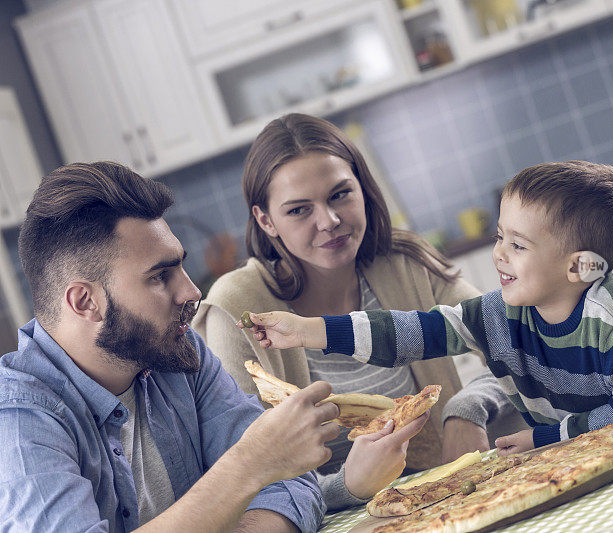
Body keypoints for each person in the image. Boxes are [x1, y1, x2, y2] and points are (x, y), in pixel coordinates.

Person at [238, 161, 613, 454]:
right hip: (592, 453)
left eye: (517, 244)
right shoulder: (499, 315)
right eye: (500, 236)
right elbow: (409, 333)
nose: (499, 254)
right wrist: (307, 330)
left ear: (578, 268)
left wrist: (541, 438)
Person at [192, 114, 516, 510]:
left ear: (363, 189)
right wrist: (349, 484)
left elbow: (515, 337)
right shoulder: (235, 306)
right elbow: (246, 476)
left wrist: (465, 411)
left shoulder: (403, 263)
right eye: (298, 210)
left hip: (448, 499)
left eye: (340, 195)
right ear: (265, 220)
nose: (328, 221)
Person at [0, 162, 337, 532]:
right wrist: (249, 463)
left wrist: (261, 470)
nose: (192, 292)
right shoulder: (18, 420)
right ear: (84, 302)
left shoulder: (175, 351)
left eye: (181, 268)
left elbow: (292, 484)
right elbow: (266, 464)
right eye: (160, 276)